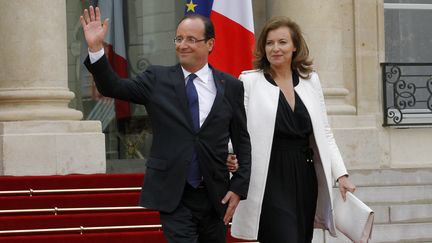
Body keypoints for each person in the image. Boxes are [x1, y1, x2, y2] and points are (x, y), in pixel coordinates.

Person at [80, 6, 251, 243]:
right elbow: (113, 87)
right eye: (179, 39)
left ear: (209, 44)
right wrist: (96, 48)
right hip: (174, 192)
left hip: (215, 194)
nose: (183, 45)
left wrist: (240, 186)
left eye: (191, 39)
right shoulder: (156, 79)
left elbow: (242, 139)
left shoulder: (231, 86)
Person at [230, 16, 356, 243]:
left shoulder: (311, 81)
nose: (275, 48)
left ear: (295, 46)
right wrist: (232, 155)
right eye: (269, 43)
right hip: (268, 173)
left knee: (300, 236)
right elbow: (237, 129)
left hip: (305, 173)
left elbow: (325, 132)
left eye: (282, 42)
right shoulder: (249, 82)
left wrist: (341, 174)